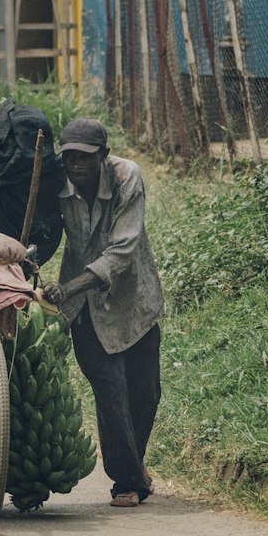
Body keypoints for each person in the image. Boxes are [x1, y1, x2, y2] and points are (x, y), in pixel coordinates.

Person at [40, 117, 164, 509]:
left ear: (103, 156)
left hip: (133, 299)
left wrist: (68, 287)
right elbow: (42, 231)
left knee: (146, 393)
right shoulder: (56, 184)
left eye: (85, 158)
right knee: (110, 392)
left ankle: (133, 462)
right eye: (70, 157)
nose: (76, 165)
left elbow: (123, 250)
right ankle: (126, 481)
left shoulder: (127, 177)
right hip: (85, 309)